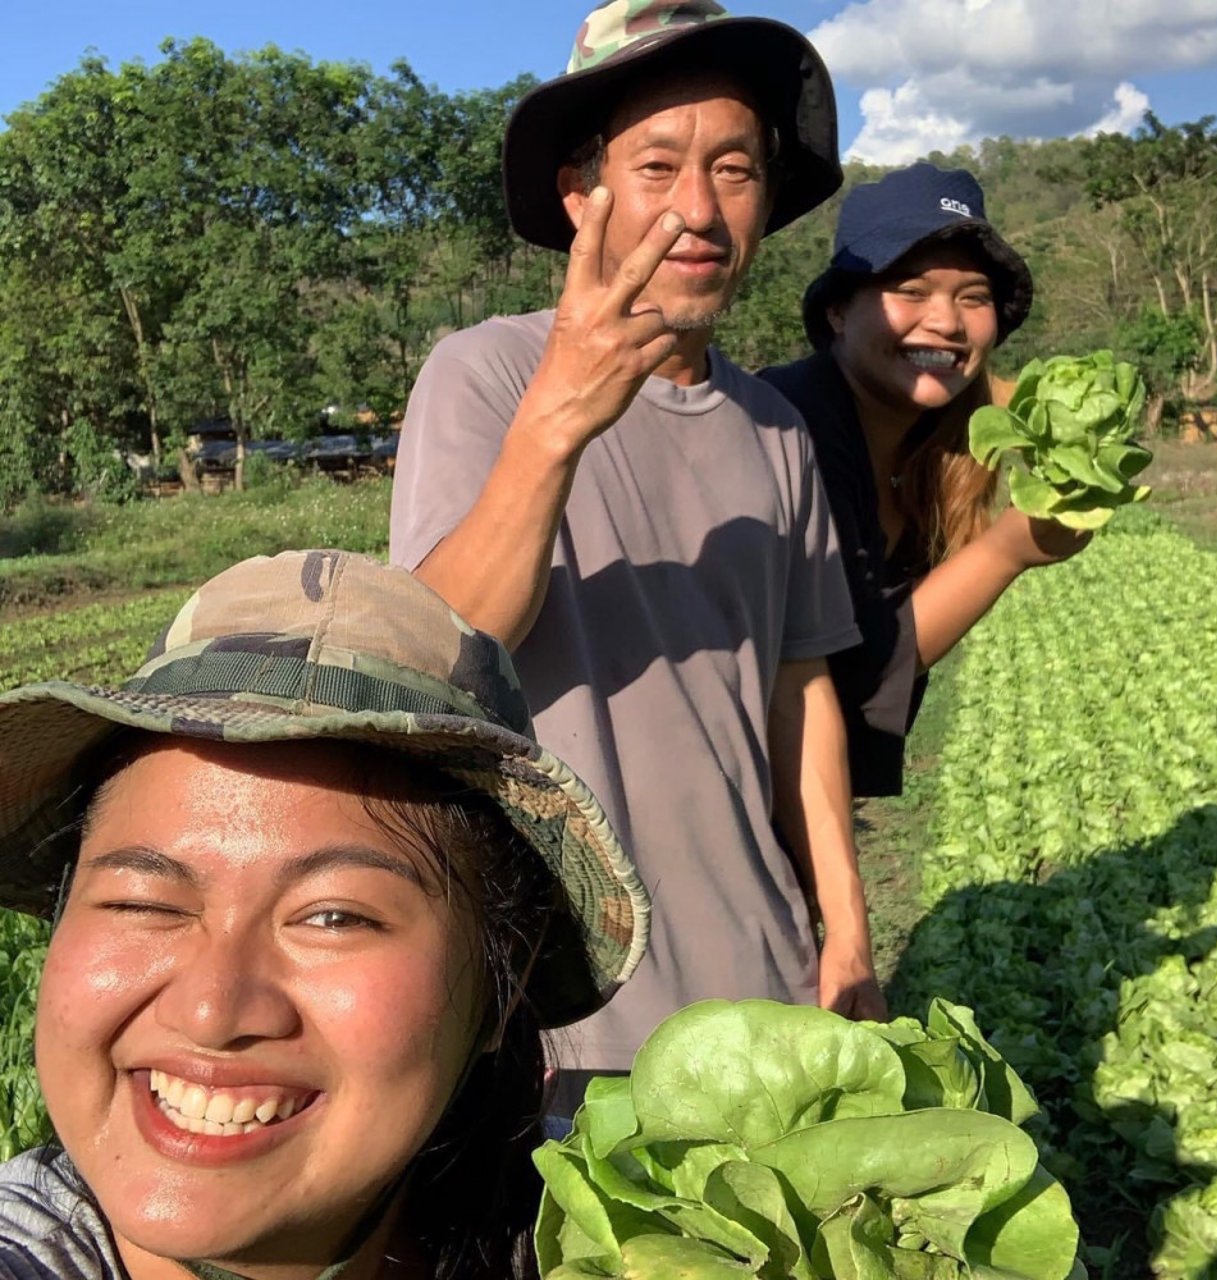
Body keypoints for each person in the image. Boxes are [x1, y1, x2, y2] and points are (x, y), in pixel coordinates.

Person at [389, 0, 887, 1119]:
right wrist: (557, 421)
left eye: (735, 168)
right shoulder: (485, 376)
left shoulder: (775, 429)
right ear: (582, 193)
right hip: (561, 1020)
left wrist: (844, 931)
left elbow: (798, 691)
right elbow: (440, 652)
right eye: (657, 165)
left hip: (763, 992)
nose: (698, 209)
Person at [0, 549, 649, 1280]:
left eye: (334, 918)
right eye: (141, 902)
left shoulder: (635, 1233)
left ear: (504, 979)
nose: (212, 1011)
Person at [761, 163, 1090, 798]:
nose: (945, 321)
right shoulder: (789, 428)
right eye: (910, 291)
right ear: (837, 310)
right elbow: (850, 671)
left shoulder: (938, 443)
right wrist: (1006, 551)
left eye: (974, 297)